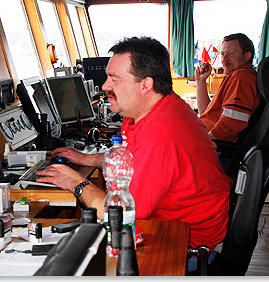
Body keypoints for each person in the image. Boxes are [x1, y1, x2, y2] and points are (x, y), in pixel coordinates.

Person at [36, 36, 232, 258]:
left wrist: (75, 183)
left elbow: (120, 212)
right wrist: (86, 159)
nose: (104, 86)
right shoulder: (154, 108)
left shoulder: (160, 135)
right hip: (173, 226)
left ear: (146, 85)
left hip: (185, 244)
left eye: (114, 79)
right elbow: (132, 158)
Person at [195, 33, 261, 142]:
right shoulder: (234, 76)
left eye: (231, 54)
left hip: (217, 148)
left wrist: (205, 142)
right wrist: (201, 81)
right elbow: (206, 112)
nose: (224, 60)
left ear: (247, 56)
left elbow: (233, 121)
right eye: (222, 54)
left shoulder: (241, 78)